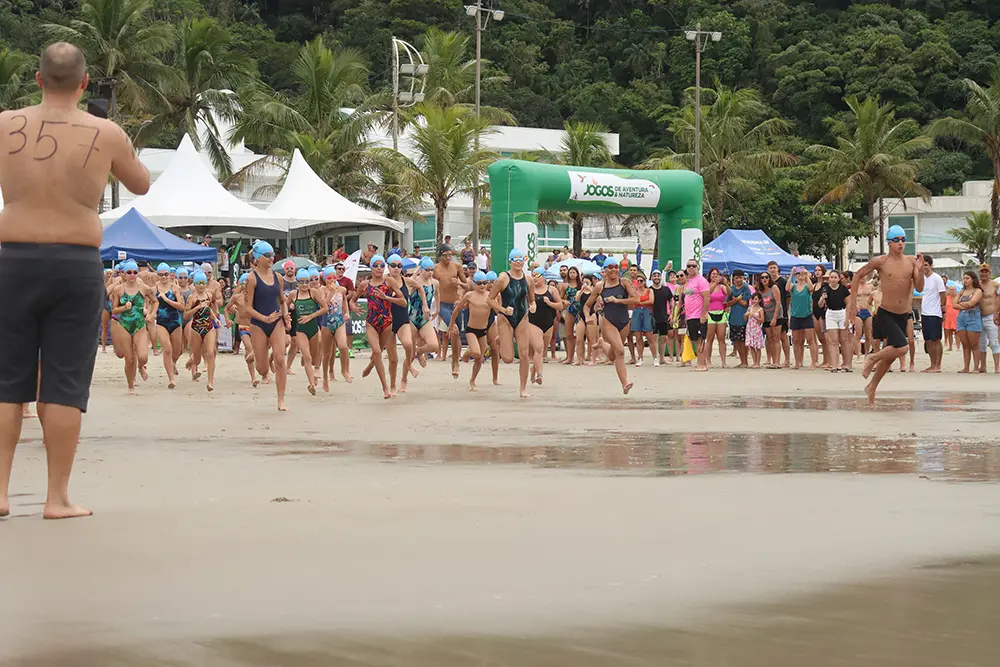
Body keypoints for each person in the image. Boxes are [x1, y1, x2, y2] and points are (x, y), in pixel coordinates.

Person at [1, 43, 149, 511]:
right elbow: (141, 183)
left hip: (12, 259)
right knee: (64, 381)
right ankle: (56, 497)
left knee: (6, 382)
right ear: (84, 82)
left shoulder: (5, 124)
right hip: (75, 262)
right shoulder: (104, 132)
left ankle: (0, 493)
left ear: (39, 79)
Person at [849, 225, 925, 406]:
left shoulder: (911, 262)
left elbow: (920, 288)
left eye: (903, 240)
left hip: (903, 314)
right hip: (885, 313)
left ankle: (872, 387)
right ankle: (873, 357)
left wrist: (921, 270)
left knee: (891, 356)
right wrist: (852, 303)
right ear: (889, 243)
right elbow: (857, 275)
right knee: (903, 348)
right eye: (897, 240)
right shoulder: (880, 262)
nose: (901, 243)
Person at [244, 241, 290, 411]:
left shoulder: (278, 277)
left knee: (279, 359)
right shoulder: (251, 279)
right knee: (262, 369)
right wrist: (265, 318)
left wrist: (285, 316)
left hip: (276, 321)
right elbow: (247, 308)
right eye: (268, 255)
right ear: (258, 258)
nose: (272, 258)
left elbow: (282, 301)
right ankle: (255, 356)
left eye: (273, 255)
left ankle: (281, 400)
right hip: (258, 324)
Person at [354, 255, 407, 399]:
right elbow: (352, 300)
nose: (379, 268)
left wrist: (387, 298)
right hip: (371, 322)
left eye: (381, 266)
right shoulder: (365, 284)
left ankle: (371, 365)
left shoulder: (389, 281)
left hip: (386, 322)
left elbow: (403, 301)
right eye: (376, 265)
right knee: (377, 351)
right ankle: (385, 387)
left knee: (379, 352)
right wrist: (354, 308)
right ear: (371, 267)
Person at [586, 257, 638, 394]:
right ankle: (625, 383)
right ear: (605, 270)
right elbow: (587, 305)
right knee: (620, 351)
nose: (614, 269)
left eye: (616, 266)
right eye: (610, 267)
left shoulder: (625, 282)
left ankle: (602, 344)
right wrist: (587, 317)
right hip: (608, 320)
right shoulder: (600, 286)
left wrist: (618, 300)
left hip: (624, 320)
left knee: (614, 354)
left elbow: (636, 299)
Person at [489, 248, 536, 398]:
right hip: (505, 318)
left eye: (520, 259)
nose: (518, 262)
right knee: (508, 359)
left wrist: (533, 305)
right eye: (514, 259)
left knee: (523, 354)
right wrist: (503, 309)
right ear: (510, 261)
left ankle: (523, 389)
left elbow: (532, 298)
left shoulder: (529, 280)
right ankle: (500, 340)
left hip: (522, 317)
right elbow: (489, 299)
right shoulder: (503, 278)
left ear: (524, 261)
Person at [109, 259, 157, 393]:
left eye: (135, 272)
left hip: (140, 325)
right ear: (124, 274)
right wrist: (124, 307)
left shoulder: (144, 288)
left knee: (143, 357)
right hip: (124, 325)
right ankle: (130, 386)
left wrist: (152, 314)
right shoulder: (118, 289)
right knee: (129, 359)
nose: (132, 275)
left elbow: (155, 301)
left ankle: (141, 367)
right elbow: (114, 310)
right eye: (129, 272)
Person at [449, 271, 497, 391]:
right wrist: (451, 325)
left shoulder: (490, 296)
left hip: (483, 331)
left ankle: (472, 380)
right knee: (476, 353)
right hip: (471, 330)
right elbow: (456, 310)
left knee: (480, 358)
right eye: (479, 283)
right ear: (475, 283)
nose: (482, 285)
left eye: (484, 283)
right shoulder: (469, 295)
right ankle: (469, 352)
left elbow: (498, 310)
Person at [287, 268, 324, 395]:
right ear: (296, 282)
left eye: (306, 282)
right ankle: (311, 384)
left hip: (313, 329)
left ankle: (308, 359)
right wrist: (287, 315)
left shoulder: (313, 293)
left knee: (313, 359)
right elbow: (284, 307)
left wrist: (310, 316)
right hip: (300, 330)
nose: (304, 285)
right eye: (301, 282)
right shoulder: (293, 294)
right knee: (308, 358)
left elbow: (324, 308)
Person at [183, 270, 220, 392]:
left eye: (203, 283)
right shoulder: (192, 298)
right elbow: (186, 315)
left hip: (209, 326)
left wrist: (215, 319)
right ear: (194, 284)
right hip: (196, 328)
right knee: (198, 358)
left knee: (210, 352)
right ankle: (193, 359)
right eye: (198, 283)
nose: (201, 285)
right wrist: (197, 307)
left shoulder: (209, 295)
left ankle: (210, 382)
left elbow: (209, 308)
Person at [527, 268, 564, 385]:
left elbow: (560, 306)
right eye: (532, 275)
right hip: (533, 323)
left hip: (548, 324)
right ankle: (540, 375)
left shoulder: (552, 290)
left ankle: (533, 370)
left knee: (541, 353)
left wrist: (549, 303)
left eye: (537, 275)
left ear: (544, 277)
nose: (534, 278)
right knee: (538, 348)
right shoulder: (529, 291)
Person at [153, 262, 185, 388]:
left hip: (175, 322)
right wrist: (149, 313)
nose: (164, 277)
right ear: (157, 275)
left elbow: (182, 307)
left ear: (169, 274)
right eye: (161, 275)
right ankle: (171, 379)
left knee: (177, 352)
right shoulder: (153, 289)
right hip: (161, 322)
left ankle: (173, 363)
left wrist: (166, 299)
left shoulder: (175, 288)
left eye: (166, 274)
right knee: (167, 349)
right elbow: (149, 304)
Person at [319, 266, 352, 389]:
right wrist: (331, 292)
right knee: (326, 354)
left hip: (339, 322)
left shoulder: (342, 289)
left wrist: (346, 312)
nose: (332, 280)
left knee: (343, 347)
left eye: (334, 277)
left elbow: (344, 303)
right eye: (329, 278)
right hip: (326, 323)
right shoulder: (321, 290)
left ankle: (344, 371)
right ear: (324, 278)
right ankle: (326, 377)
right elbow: (323, 305)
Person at [433, 245, 463, 376]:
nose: (448, 258)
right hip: (443, 304)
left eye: (450, 255)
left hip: (456, 304)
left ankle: (455, 362)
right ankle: (455, 364)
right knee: (454, 329)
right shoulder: (435, 269)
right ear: (440, 256)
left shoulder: (457, 267)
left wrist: (459, 284)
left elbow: (468, 285)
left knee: (456, 335)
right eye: (445, 255)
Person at [227, 274, 261, 387]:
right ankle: (254, 378)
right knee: (249, 349)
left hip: (255, 327)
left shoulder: (256, 296)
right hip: (243, 327)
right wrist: (227, 320)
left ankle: (262, 371)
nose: (246, 286)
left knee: (252, 352)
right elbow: (227, 309)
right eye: (244, 283)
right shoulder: (237, 297)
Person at [819, 270, 852, 372]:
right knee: (833, 341)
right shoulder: (825, 289)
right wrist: (822, 298)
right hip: (831, 313)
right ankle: (834, 364)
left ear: (839, 279)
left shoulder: (843, 289)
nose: (833, 279)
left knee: (844, 340)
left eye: (835, 277)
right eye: (831, 277)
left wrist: (847, 318)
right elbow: (820, 305)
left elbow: (849, 303)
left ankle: (846, 363)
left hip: (842, 313)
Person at [682, 260, 711, 371]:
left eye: (693, 266)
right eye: (689, 266)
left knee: (700, 340)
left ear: (697, 267)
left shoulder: (701, 281)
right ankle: (700, 362)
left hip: (698, 314)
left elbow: (707, 297)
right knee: (695, 339)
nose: (691, 268)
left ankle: (702, 364)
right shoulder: (689, 281)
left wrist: (704, 313)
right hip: (690, 315)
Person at [952, 270, 983, 374]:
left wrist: (962, 304)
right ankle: (966, 367)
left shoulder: (977, 291)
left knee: (974, 344)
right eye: (964, 278)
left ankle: (975, 367)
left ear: (973, 279)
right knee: (965, 344)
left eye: (967, 278)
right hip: (962, 317)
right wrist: (966, 305)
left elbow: (973, 302)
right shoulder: (961, 291)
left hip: (973, 317)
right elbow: (954, 304)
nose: (965, 280)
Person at [920, 255, 946, 373]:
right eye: (922, 265)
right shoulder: (921, 279)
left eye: (926, 265)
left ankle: (938, 364)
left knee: (936, 339)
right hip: (925, 312)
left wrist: (943, 309)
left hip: (935, 313)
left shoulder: (936, 278)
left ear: (930, 265)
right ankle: (932, 364)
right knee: (928, 340)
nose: (924, 267)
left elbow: (942, 295)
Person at [787, 267, 818, 369]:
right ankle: (798, 362)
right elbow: (787, 288)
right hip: (795, 316)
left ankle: (814, 362)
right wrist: (792, 273)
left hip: (806, 315)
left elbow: (811, 289)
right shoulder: (793, 287)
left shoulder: (807, 286)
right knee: (797, 340)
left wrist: (806, 276)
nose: (800, 276)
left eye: (802, 274)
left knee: (810, 340)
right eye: (799, 274)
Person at [705, 268, 730, 368]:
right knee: (709, 338)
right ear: (710, 275)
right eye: (713, 274)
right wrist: (715, 283)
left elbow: (729, 293)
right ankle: (708, 361)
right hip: (710, 313)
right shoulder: (706, 286)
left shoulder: (722, 287)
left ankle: (723, 361)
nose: (715, 276)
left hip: (720, 313)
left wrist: (726, 283)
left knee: (721, 338)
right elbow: (708, 293)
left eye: (717, 274)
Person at [976, 263, 1000, 373]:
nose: (984, 273)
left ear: (989, 272)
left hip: (991, 316)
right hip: (979, 317)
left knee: (994, 342)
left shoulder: (995, 285)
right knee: (981, 343)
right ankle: (983, 366)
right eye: (982, 271)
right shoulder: (977, 285)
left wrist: (997, 313)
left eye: (986, 271)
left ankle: (997, 366)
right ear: (979, 272)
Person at [768, 261, 791, 367]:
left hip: (782, 312)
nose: (772, 269)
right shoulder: (767, 282)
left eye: (774, 267)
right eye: (770, 268)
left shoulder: (782, 281)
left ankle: (787, 359)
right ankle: (773, 359)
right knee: (771, 337)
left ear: (777, 269)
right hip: (769, 313)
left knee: (783, 336)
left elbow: (787, 298)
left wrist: (786, 311)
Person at [559, 266, 584, 365]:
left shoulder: (581, 285)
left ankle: (580, 357)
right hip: (570, 309)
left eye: (574, 272)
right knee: (569, 334)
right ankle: (569, 357)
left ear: (577, 274)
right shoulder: (565, 286)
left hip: (580, 309)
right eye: (570, 272)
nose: (572, 274)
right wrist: (564, 301)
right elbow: (559, 298)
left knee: (580, 335)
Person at [727, 270, 752, 368]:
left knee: (743, 341)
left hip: (743, 318)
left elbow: (745, 303)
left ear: (743, 278)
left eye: (740, 277)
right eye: (736, 278)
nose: (738, 280)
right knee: (736, 341)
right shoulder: (731, 289)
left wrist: (735, 300)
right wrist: (737, 299)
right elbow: (728, 303)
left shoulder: (746, 288)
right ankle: (742, 361)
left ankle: (745, 361)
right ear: (734, 278)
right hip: (733, 317)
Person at [629, 270, 655, 366]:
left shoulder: (649, 290)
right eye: (638, 281)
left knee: (649, 336)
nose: (639, 282)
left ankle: (655, 357)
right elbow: (631, 302)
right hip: (637, 312)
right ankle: (640, 358)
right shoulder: (634, 291)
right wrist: (640, 303)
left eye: (641, 281)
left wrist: (640, 303)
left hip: (646, 312)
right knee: (638, 336)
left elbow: (651, 301)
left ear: (644, 281)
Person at [757, 272, 782, 369]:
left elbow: (778, 302)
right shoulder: (760, 290)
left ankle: (777, 361)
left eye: (766, 277)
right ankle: (772, 360)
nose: (764, 279)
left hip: (776, 315)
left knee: (776, 339)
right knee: (769, 338)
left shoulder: (774, 288)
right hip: (766, 316)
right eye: (762, 277)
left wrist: (775, 318)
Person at [650, 269, 674, 367]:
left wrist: (672, 313)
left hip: (664, 316)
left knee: (664, 338)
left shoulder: (666, 289)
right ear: (651, 278)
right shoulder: (649, 290)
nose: (656, 277)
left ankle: (662, 358)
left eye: (658, 275)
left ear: (661, 277)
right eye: (654, 275)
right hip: (652, 317)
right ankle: (655, 357)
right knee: (654, 337)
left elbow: (671, 300)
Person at [745, 292, 766, 368]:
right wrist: (746, 314)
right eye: (753, 299)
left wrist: (755, 316)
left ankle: (758, 362)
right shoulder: (750, 308)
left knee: (757, 346)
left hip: (756, 328)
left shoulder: (760, 309)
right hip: (750, 328)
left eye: (756, 299)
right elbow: (745, 318)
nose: (754, 301)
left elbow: (762, 320)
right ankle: (754, 361)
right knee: (751, 346)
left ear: (759, 300)